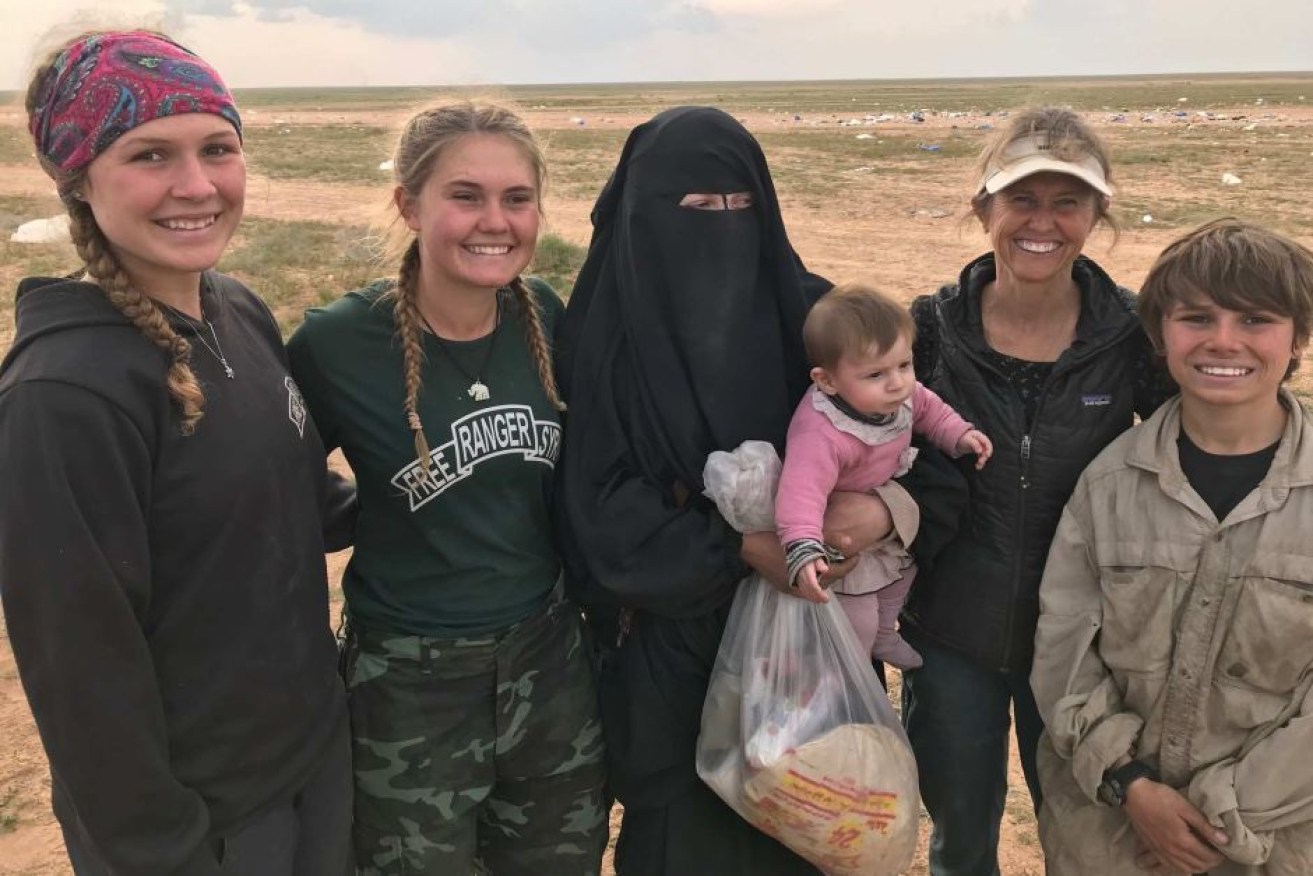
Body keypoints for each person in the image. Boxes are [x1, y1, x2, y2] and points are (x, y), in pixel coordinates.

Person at [0, 29, 353, 875]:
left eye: (217, 149)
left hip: (312, 761)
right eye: (150, 154)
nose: (196, 186)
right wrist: (164, 850)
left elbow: (295, 498)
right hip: (205, 822)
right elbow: (82, 673)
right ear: (79, 180)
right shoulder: (64, 396)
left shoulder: (236, 311)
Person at [555, 106, 891, 876]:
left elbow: (912, 441)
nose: (722, 226)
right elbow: (595, 517)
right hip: (667, 661)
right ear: (641, 214)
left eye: (741, 206)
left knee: (813, 828)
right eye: (696, 209)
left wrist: (876, 510)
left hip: (809, 656)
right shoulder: (601, 342)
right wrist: (742, 547)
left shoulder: (817, 320)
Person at [286, 100, 607, 876]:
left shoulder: (548, 319)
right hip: (405, 683)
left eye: (516, 198)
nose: (492, 221)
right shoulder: (336, 344)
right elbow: (272, 486)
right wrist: (363, 512)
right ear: (409, 204)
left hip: (551, 663)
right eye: (465, 195)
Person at [897, 106, 1175, 876]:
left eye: (1067, 202)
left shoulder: (1128, 335)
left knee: (1083, 840)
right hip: (948, 634)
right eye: (1021, 198)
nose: (1041, 223)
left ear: (1097, 214)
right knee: (960, 838)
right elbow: (865, 452)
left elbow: (1186, 459)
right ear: (983, 205)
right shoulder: (928, 332)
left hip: (1085, 645)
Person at [1032, 218, 1313, 875]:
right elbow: (1063, 649)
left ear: (1297, 337)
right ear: (1159, 335)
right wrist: (1131, 785)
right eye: (1197, 318)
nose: (1222, 341)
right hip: (1110, 838)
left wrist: (1218, 813)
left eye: (1254, 320)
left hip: (1274, 844)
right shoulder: (1105, 485)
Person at [775, 282, 992, 670]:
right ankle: (850, 673)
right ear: (826, 380)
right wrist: (803, 546)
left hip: (885, 512)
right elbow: (800, 492)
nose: (897, 383)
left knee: (905, 570)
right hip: (846, 539)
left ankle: (884, 636)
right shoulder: (822, 432)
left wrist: (960, 435)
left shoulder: (899, 394)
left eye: (904, 365)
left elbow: (931, 410)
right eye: (875, 374)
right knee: (856, 611)